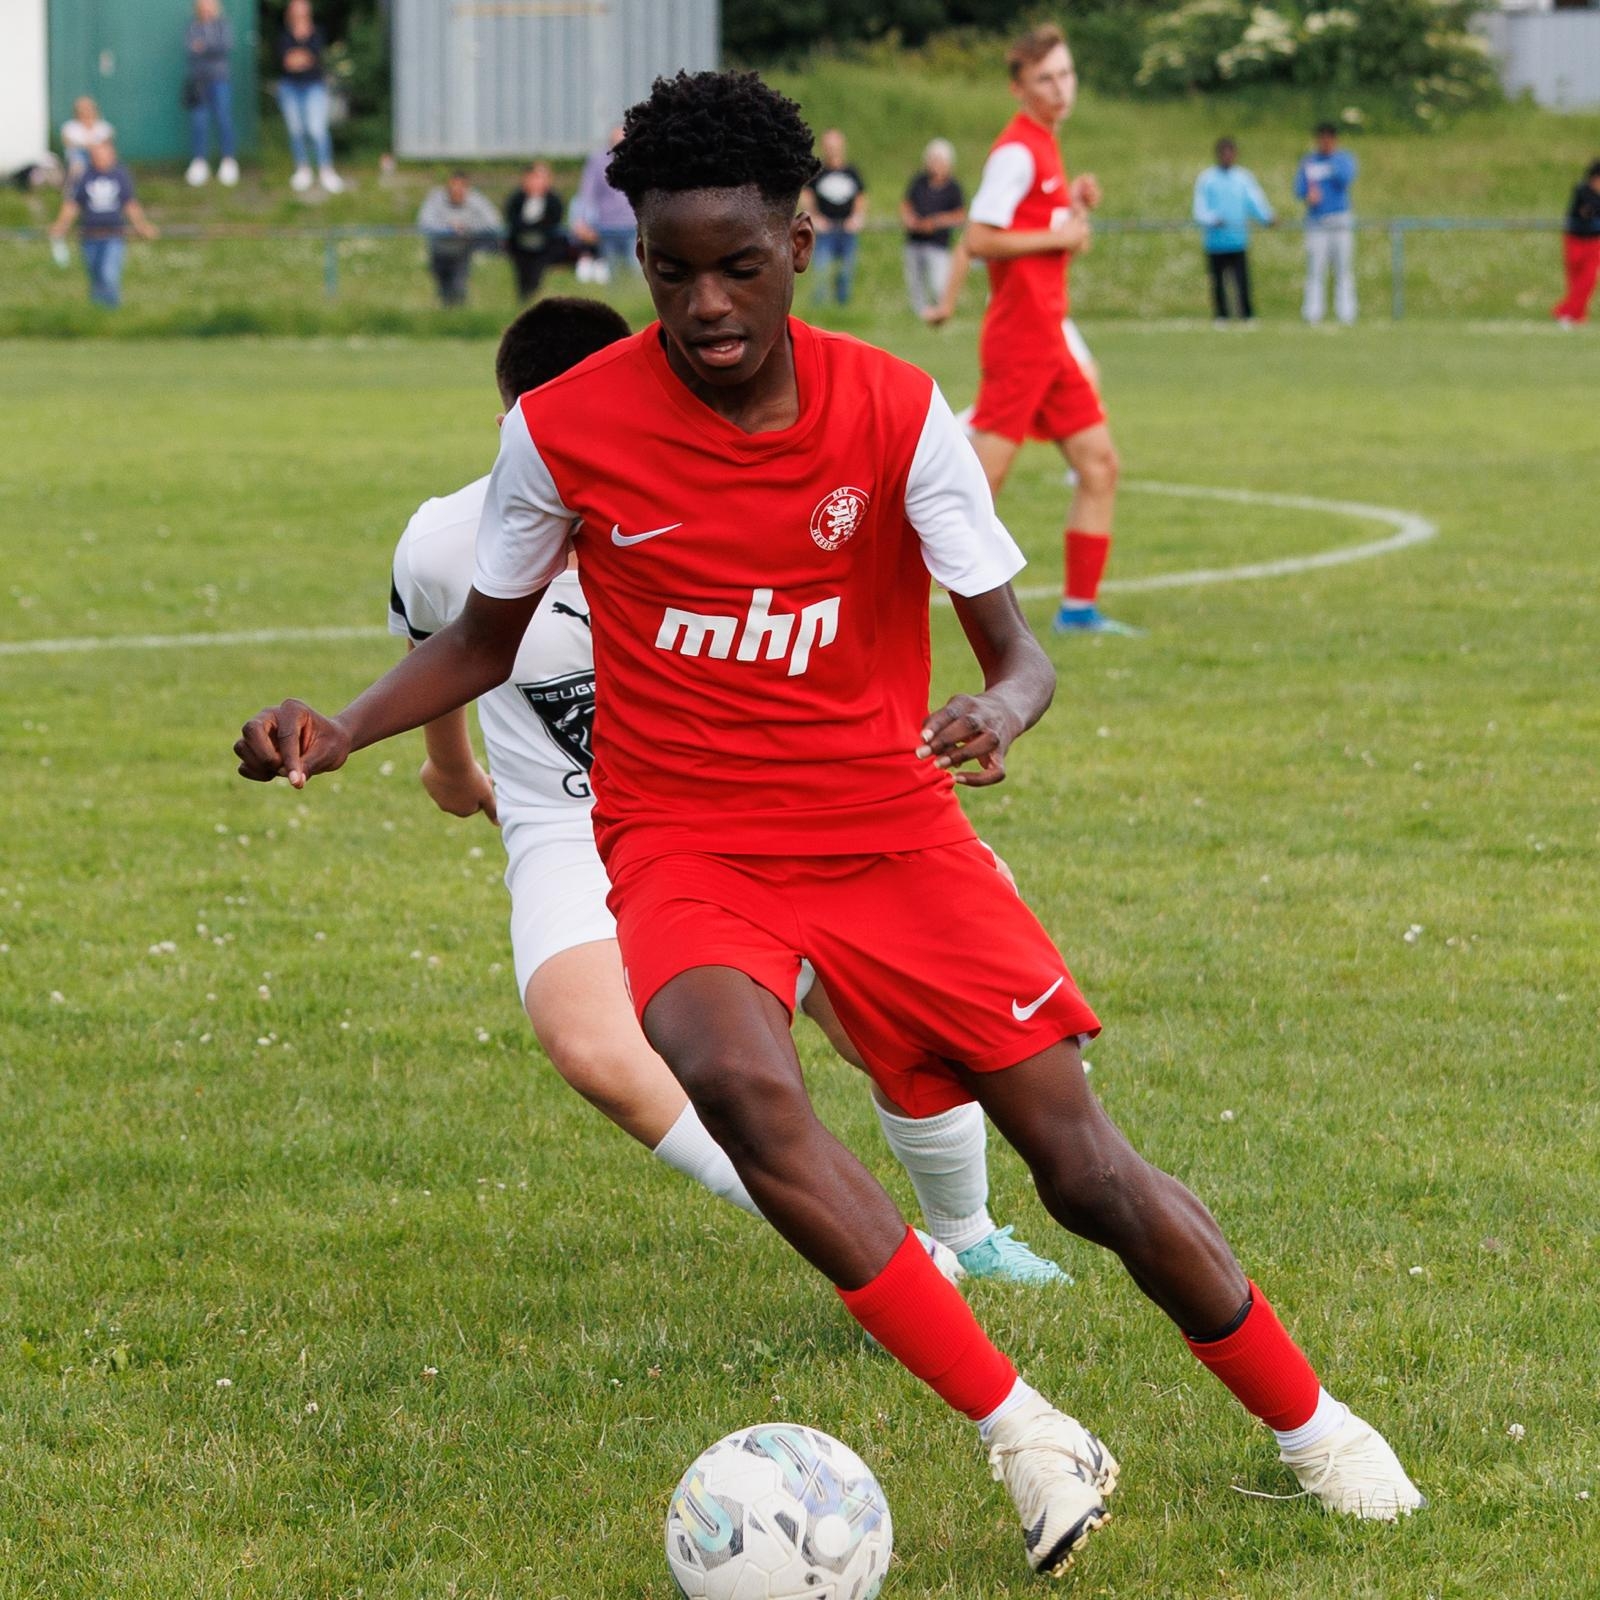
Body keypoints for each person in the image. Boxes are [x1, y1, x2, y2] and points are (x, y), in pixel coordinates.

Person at [236, 68, 1423, 1578]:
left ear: (800, 241)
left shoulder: (895, 410)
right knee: (735, 1075)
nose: (704, 305)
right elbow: (480, 637)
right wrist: (343, 728)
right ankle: (1025, 1430)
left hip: (888, 828)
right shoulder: (564, 428)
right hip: (687, 839)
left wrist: (1000, 711)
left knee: (1083, 1170)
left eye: (739, 265)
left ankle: (1318, 1429)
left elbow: (1020, 652)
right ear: (638, 255)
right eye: (670, 269)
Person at [391, 294, 1069, 1284]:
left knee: (887, 1019)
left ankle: (968, 1231)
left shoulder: (717, 509)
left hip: (737, 807)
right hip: (571, 826)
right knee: (592, 1044)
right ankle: (898, 1257)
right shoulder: (445, 540)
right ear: (514, 431)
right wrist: (449, 768)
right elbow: (446, 645)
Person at [962, 24, 1133, 636]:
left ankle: (1078, 612)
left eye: (1066, 74)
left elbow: (1037, 232)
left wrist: (1072, 208)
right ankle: (879, 594)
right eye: (1045, 79)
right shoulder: (1016, 151)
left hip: (1050, 339)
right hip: (1020, 340)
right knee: (974, 489)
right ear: (1019, 88)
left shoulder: (1045, 144)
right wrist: (1058, 234)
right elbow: (979, 239)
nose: (1061, 88)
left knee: (1100, 466)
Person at [47, 139, 158, 309]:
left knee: (108, 274)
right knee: (96, 276)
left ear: (112, 155)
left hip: (113, 235)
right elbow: (73, 204)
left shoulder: (120, 175)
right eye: (96, 155)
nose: (99, 158)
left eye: (103, 154)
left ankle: (112, 310)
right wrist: (61, 225)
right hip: (89, 236)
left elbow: (130, 204)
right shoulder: (84, 176)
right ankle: (97, 314)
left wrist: (142, 226)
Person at [1192, 137, 1273, 324]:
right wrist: (1212, 219)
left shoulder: (1243, 178)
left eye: (1230, 153)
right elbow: (1199, 208)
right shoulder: (1207, 178)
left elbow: (1255, 201)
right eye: (1224, 153)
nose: (1227, 157)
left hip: (1238, 239)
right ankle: (1221, 316)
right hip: (1215, 241)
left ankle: (1246, 315)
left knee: (1242, 281)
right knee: (1218, 282)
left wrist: (1267, 217)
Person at [275, 0, 343, 195]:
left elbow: (312, 57)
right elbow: (287, 61)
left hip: (314, 86)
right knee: (296, 129)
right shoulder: (284, 35)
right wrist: (300, 58)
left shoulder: (317, 32)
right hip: (290, 87)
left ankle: (326, 170)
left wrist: (299, 58)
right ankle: (303, 169)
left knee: (317, 129)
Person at [1295, 122, 1358, 326]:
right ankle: (1312, 313)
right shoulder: (1309, 162)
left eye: (1328, 137)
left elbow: (1345, 179)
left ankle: (1346, 313)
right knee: (1315, 268)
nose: (1324, 141)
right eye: (1321, 137)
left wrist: (1331, 164)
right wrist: (1308, 195)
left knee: (1343, 268)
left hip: (1339, 218)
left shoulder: (1343, 159)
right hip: (1316, 220)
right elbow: (1299, 188)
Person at [900, 138, 965, 319]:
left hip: (938, 244)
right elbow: (906, 204)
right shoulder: (919, 181)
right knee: (915, 282)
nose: (935, 164)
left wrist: (936, 222)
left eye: (939, 160)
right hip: (915, 240)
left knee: (939, 283)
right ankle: (919, 315)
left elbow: (959, 215)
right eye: (932, 160)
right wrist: (910, 219)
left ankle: (941, 312)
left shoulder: (953, 187)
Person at [417, 171, 502, 307]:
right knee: (443, 289)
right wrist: (448, 228)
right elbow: (424, 223)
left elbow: (493, 223)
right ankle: (446, 310)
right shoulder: (435, 199)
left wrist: (468, 228)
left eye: (461, 187)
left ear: (467, 188)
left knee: (459, 288)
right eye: (453, 187)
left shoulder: (476, 200)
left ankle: (460, 311)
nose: (456, 190)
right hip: (440, 249)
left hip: (463, 249)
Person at [802, 128, 866, 306]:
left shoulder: (852, 172)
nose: (832, 150)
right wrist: (815, 217)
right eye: (829, 146)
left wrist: (856, 217)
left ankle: (842, 307)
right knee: (822, 269)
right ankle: (820, 307)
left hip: (846, 229)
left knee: (846, 271)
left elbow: (861, 196)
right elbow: (807, 195)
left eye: (835, 146)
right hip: (825, 230)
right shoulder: (817, 172)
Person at [183, 0, 239, 188]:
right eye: (203, 5)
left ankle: (228, 161)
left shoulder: (223, 25)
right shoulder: (192, 26)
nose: (206, 8)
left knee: (223, 119)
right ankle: (200, 162)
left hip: (220, 81)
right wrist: (209, 48)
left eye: (209, 4)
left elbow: (225, 46)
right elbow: (190, 49)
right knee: (198, 122)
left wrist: (204, 46)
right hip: (199, 83)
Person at [571, 126, 636, 283]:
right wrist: (580, 221)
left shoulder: (642, 160)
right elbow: (586, 194)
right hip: (607, 227)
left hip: (634, 228)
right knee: (611, 277)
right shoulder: (598, 162)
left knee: (637, 274)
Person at [504, 162, 567, 301]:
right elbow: (512, 219)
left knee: (536, 279)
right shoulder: (517, 199)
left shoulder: (553, 201)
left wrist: (535, 226)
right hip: (520, 247)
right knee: (522, 281)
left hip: (544, 248)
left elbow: (553, 221)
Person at [1552, 158, 1600, 326]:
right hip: (1575, 239)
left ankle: (1565, 312)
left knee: (1588, 279)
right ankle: (1576, 315)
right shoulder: (1582, 191)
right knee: (1575, 277)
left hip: (1594, 241)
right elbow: (1587, 211)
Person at [60, 96, 113, 184]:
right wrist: (89, 147)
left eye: (88, 108)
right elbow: (68, 144)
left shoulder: (103, 126)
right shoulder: (70, 127)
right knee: (77, 163)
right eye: (82, 109)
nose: (86, 111)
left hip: (99, 156)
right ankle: (74, 188)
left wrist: (94, 150)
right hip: (79, 156)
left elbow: (108, 144)